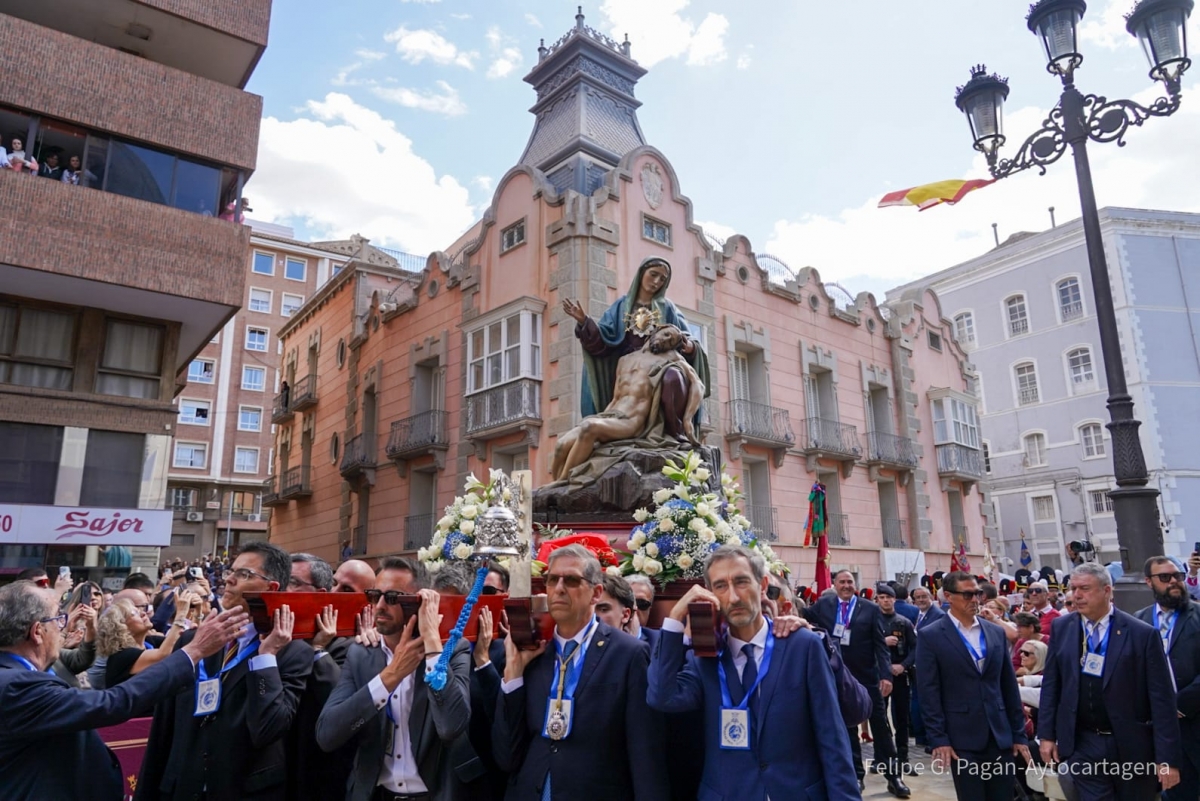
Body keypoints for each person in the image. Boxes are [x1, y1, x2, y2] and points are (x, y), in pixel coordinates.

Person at [0, 580, 248, 801]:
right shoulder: (15, 686)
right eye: (58, 619)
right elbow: (113, 702)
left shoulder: (20, 676)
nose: (62, 628)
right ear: (37, 632)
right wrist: (193, 652)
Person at [648, 544, 860, 800]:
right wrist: (674, 619)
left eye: (741, 582)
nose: (733, 597)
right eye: (721, 586)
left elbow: (832, 739)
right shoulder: (703, 657)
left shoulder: (803, 646)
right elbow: (662, 696)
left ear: (762, 585)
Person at [135, 542, 313, 801]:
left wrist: (266, 658)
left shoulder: (293, 652)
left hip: (243, 790)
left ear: (270, 588)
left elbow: (268, 729)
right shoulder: (194, 641)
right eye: (232, 571)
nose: (228, 579)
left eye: (244, 574)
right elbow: (165, 725)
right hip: (181, 787)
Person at [493, 543, 669, 800]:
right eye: (553, 580)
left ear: (596, 593)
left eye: (572, 580)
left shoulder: (628, 654)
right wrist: (513, 676)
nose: (559, 588)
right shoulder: (533, 652)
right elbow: (506, 755)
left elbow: (645, 754)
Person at [316, 559, 472, 801]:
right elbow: (327, 734)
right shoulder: (361, 652)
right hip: (375, 793)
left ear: (418, 602)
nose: (379, 606)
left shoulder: (453, 650)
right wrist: (390, 676)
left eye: (392, 598)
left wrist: (432, 644)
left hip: (434, 794)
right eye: (375, 595)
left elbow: (452, 725)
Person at [1038, 562, 1182, 800]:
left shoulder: (1141, 634)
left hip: (1130, 744)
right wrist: (1047, 735)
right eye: (1073, 589)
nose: (1077, 595)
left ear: (1107, 591)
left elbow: (1162, 700)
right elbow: (1052, 684)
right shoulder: (1063, 627)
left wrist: (1167, 759)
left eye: (1084, 588)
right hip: (1083, 742)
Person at [562, 257, 711, 442]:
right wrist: (585, 322)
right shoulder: (621, 307)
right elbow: (603, 341)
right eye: (653, 275)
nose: (656, 281)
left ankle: (675, 430)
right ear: (642, 274)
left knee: (673, 377)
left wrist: (688, 346)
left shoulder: (668, 308)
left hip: (661, 365)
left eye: (662, 279)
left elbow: (686, 338)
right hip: (630, 369)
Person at [915, 571, 1030, 801]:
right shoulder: (931, 635)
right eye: (967, 595)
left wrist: (1018, 734)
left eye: (977, 594)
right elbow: (928, 691)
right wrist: (939, 738)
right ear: (948, 596)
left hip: (999, 734)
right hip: (961, 737)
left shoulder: (995, 632)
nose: (975, 600)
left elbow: (1008, 685)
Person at [550, 324, 706, 481]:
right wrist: (602, 418)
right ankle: (553, 485)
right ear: (654, 332)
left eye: (671, 341)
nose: (666, 340)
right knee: (561, 445)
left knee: (589, 427)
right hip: (611, 415)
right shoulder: (624, 360)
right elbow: (616, 397)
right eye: (666, 334)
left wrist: (687, 420)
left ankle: (562, 483)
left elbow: (698, 385)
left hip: (631, 421)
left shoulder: (671, 357)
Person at [805, 569, 910, 796]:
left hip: (868, 679)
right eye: (842, 582)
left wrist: (885, 675)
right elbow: (803, 614)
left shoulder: (870, 608)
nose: (846, 585)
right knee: (849, 728)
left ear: (855, 584)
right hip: (840, 678)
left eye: (850, 581)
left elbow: (880, 645)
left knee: (881, 727)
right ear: (834, 584)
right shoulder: (824, 606)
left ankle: (894, 776)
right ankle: (856, 775)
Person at [1137, 555, 1200, 801]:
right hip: (1162, 735)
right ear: (1148, 582)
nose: (1174, 581)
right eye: (1165, 577)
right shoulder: (1138, 621)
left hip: (1194, 718)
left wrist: (1179, 705)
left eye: (1178, 576)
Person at [99, 590, 199, 688]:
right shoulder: (121, 656)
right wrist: (180, 614)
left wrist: (197, 612)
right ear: (120, 626)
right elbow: (163, 655)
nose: (143, 614)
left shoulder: (150, 642)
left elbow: (186, 643)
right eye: (134, 613)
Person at [877, 583, 917, 774]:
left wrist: (903, 665)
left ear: (894, 599)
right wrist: (882, 642)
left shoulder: (904, 622)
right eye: (882, 597)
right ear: (877, 600)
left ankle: (903, 757)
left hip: (900, 675)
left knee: (901, 718)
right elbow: (865, 647)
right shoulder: (872, 621)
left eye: (889, 597)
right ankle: (881, 758)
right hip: (879, 675)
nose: (885, 601)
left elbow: (916, 648)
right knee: (879, 717)